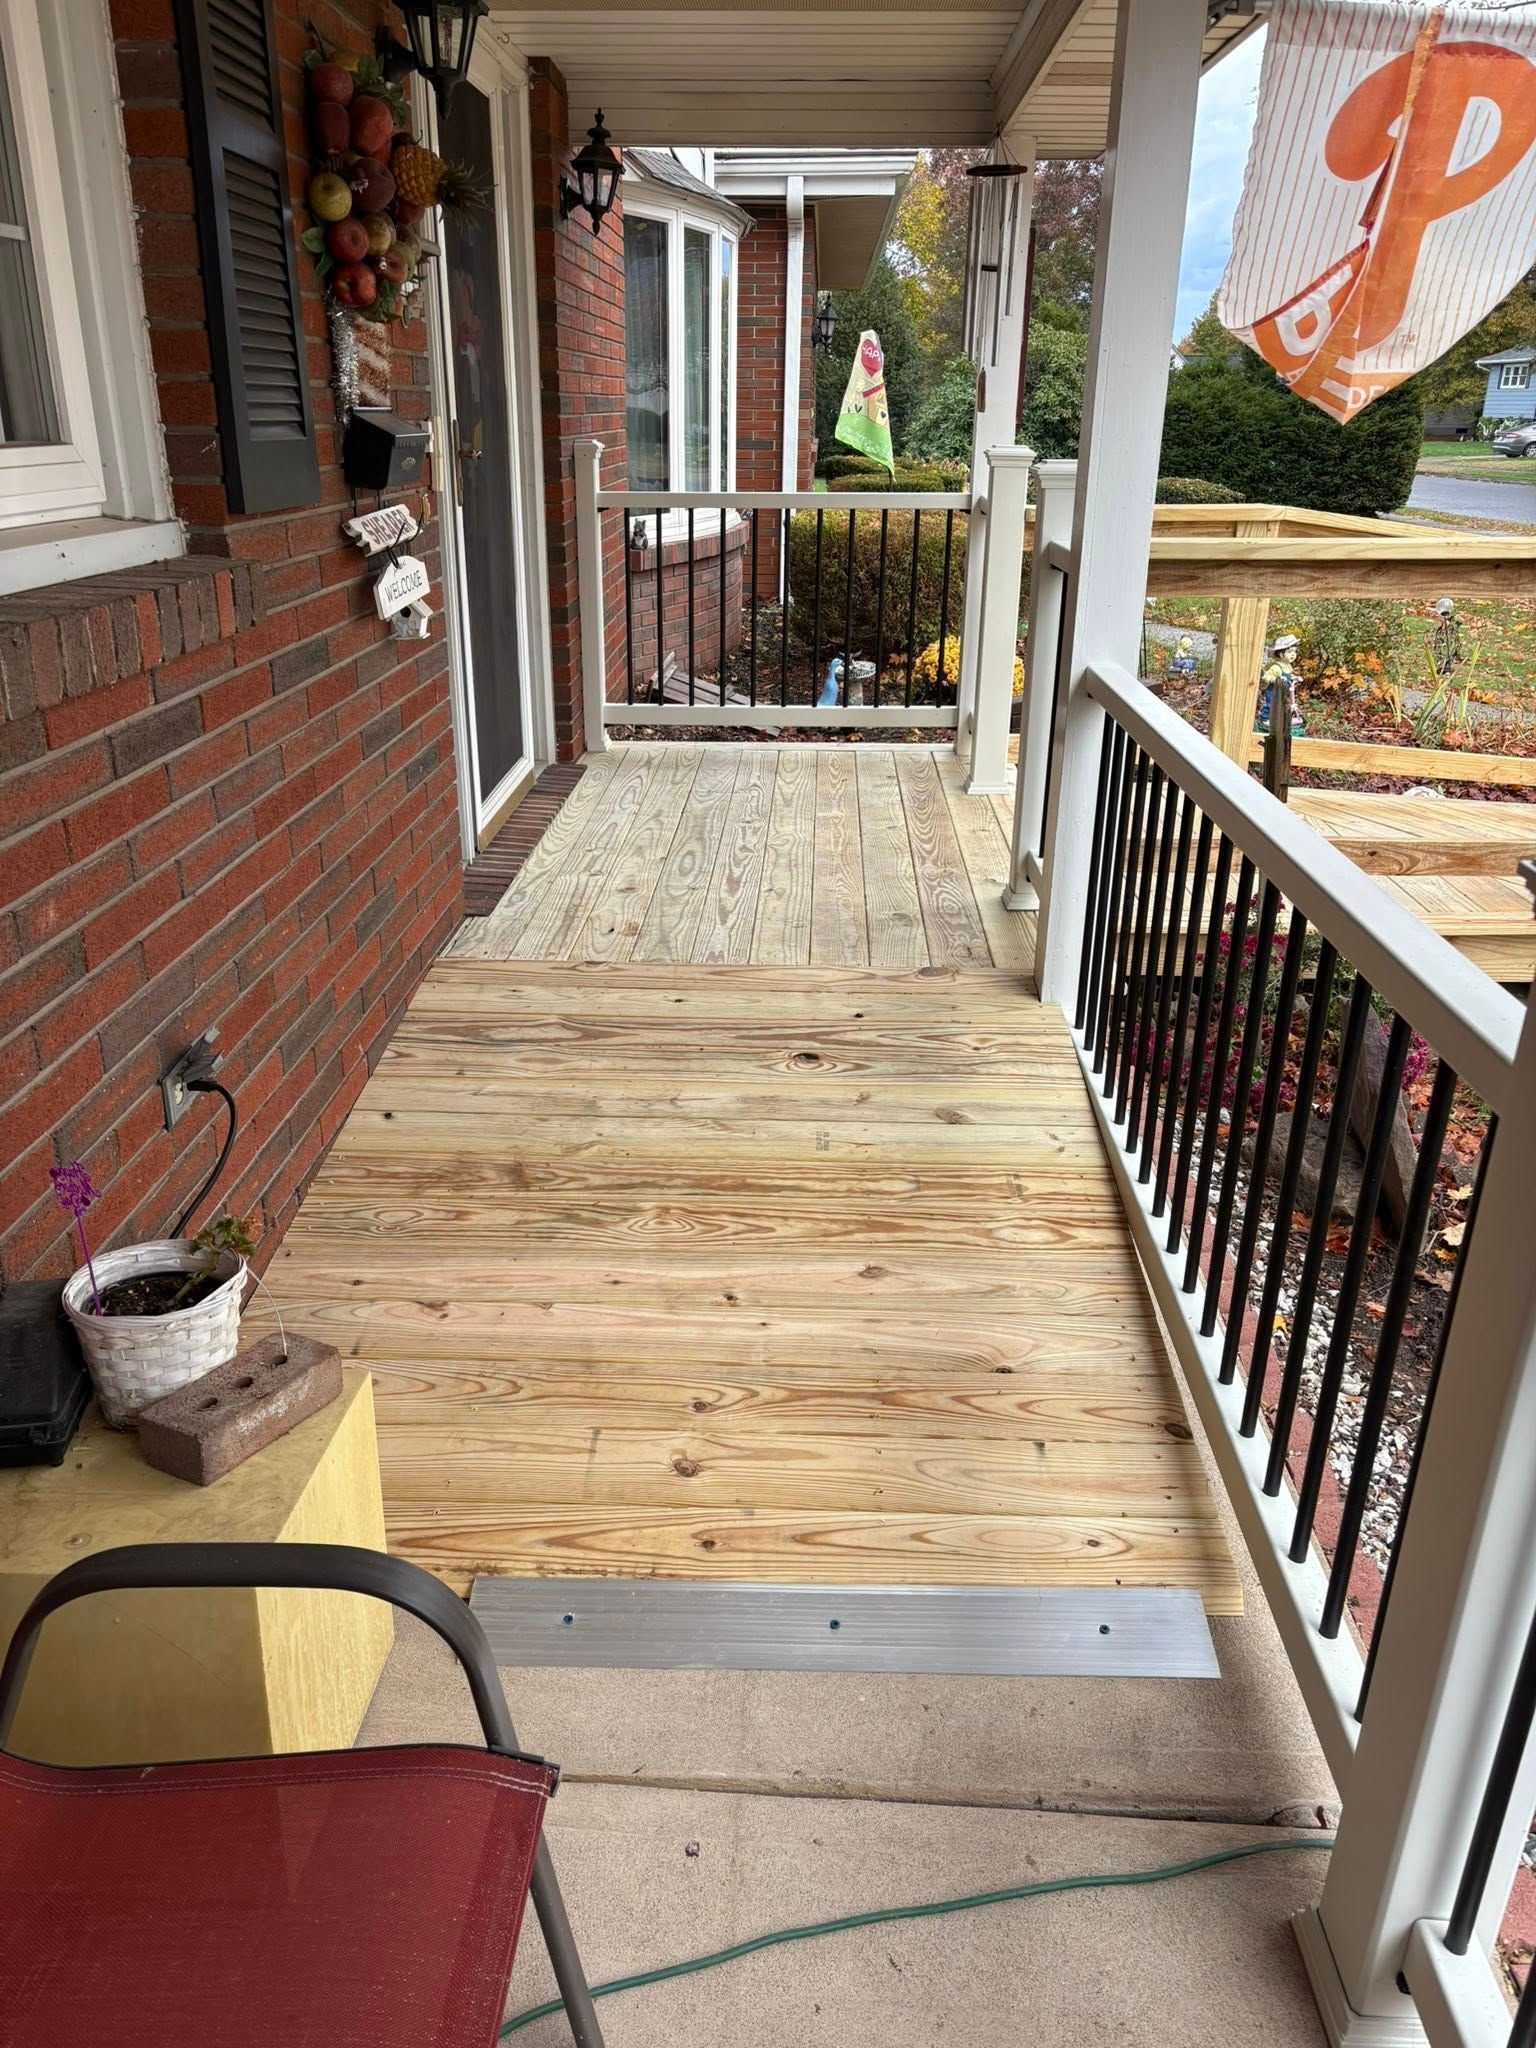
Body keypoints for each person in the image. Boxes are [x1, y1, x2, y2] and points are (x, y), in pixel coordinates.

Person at [1255, 632, 1304, 737]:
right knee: (1270, 704)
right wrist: (1277, 679)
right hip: (1273, 691)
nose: (1293, 654)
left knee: (1284, 704)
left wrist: (1295, 677)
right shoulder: (1276, 667)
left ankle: (1281, 718)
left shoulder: (1288, 666)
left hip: (1285, 691)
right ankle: (1264, 718)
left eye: (1294, 652)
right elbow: (1266, 677)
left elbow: (1289, 675)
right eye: (1290, 652)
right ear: (1281, 654)